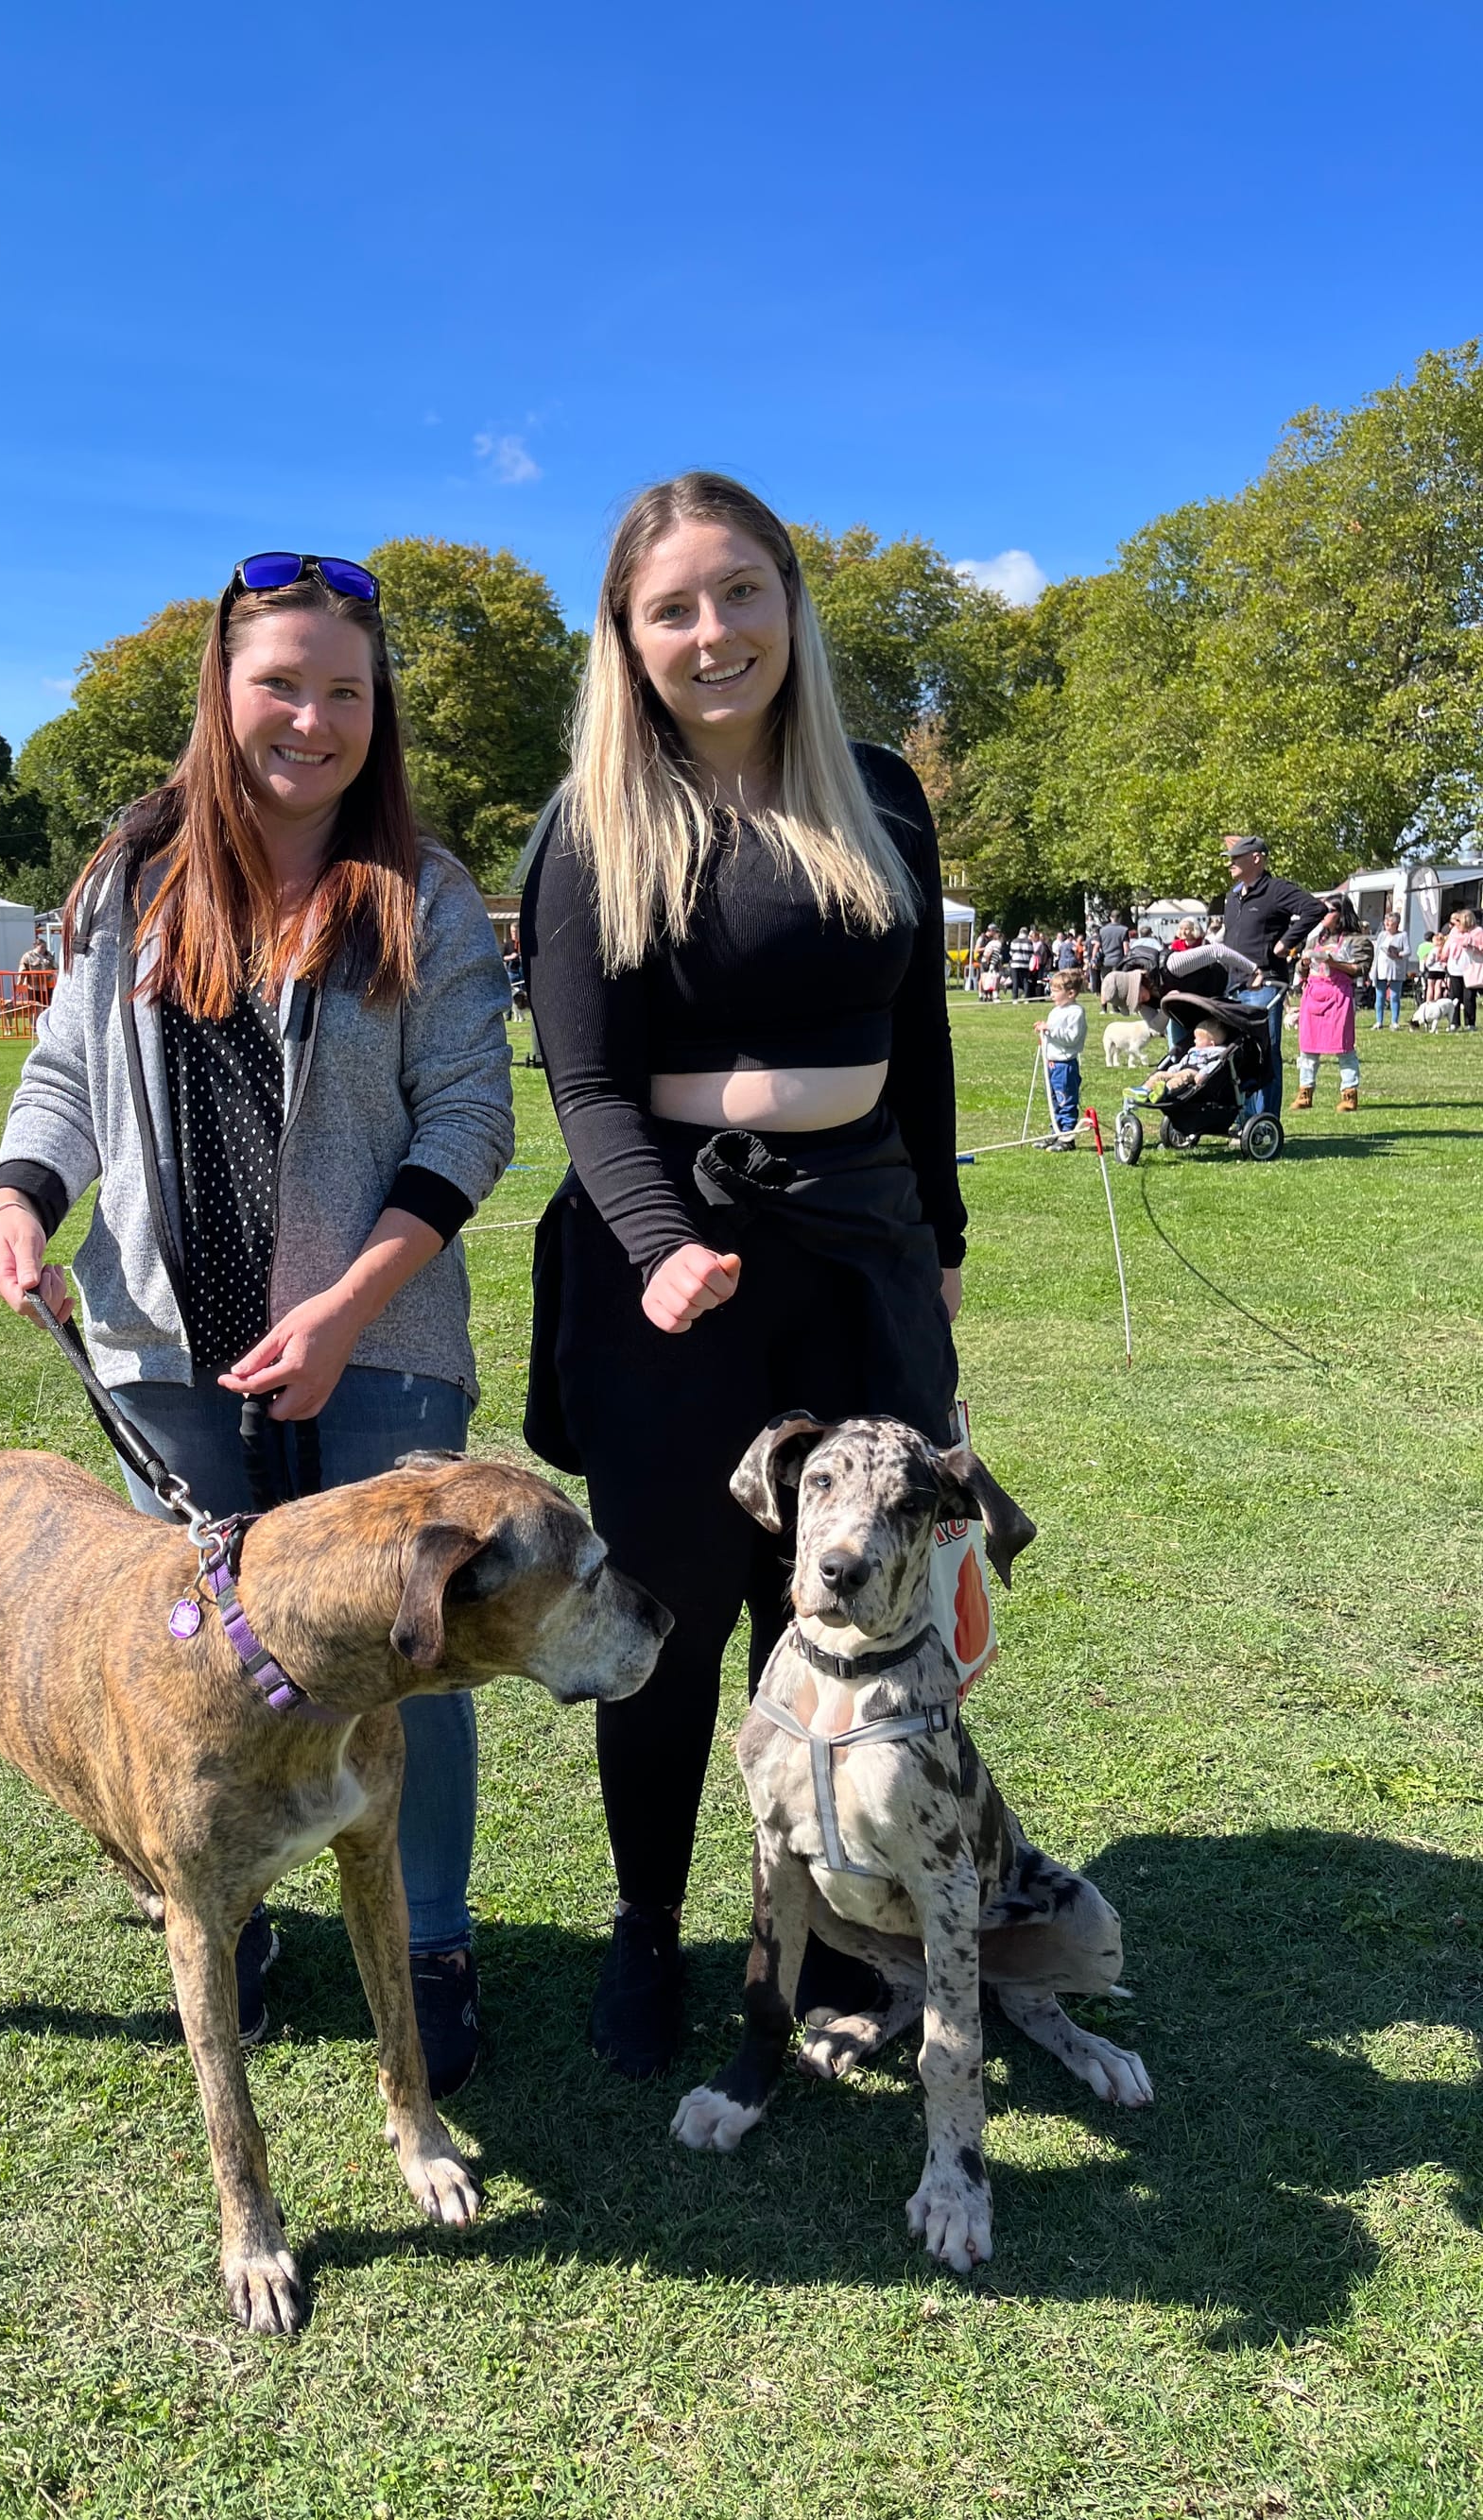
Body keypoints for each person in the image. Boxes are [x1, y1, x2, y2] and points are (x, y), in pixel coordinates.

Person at [0, 549, 515, 2093]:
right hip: (167, 1358)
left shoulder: (423, 890)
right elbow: (65, 1082)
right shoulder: (129, 881)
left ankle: (428, 1940)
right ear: (221, 691)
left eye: (345, 691)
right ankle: (232, 1914)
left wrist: (351, 1305)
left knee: (404, 1660)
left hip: (381, 1357)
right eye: (282, 681)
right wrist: (25, 1195)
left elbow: (469, 1117)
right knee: (198, 1662)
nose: (313, 718)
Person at [520, 472, 964, 2078]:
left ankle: (849, 1931)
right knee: (679, 1608)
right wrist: (660, 1247)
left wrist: (946, 1252)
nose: (715, 634)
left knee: (876, 1599)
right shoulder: (592, 819)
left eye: (742, 593)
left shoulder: (880, 793)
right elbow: (581, 1085)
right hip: (673, 1253)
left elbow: (915, 1052)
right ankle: (652, 1927)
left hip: (862, 1248)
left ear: (790, 600)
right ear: (629, 639)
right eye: (674, 608)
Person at [1218, 835, 1324, 1116]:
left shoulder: (1276, 890)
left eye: (1235, 857)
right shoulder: (1232, 895)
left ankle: (1264, 1122)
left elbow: (1315, 908)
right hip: (1234, 983)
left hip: (1264, 982)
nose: (1229, 863)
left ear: (1256, 858)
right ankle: (1244, 1120)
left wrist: (1285, 943)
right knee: (1235, 1052)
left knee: (1265, 1049)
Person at [1292, 896, 1372, 1111]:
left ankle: (1349, 1094)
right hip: (1313, 995)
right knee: (1307, 1048)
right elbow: (1301, 970)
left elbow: (1361, 969)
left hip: (1339, 995)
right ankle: (1305, 1093)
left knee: (1343, 1046)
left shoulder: (1357, 940)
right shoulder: (1315, 939)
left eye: (1327, 911)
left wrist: (1333, 963)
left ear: (1341, 914)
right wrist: (1304, 963)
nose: (1322, 915)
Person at [1034, 968, 1085, 1147]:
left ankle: (1067, 1136)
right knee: (1054, 1100)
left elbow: (1071, 1038)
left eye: (1056, 990)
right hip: (1052, 1063)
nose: (1052, 993)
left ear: (1070, 993)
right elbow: (1052, 1033)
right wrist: (1044, 1036)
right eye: (1052, 989)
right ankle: (1055, 1130)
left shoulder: (1076, 1012)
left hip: (1065, 1065)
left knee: (1066, 1100)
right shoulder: (1055, 1011)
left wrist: (1049, 1029)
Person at [1370, 911, 1409, 1031]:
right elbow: (1376, 951)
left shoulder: (1403, 935)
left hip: (1395, 969)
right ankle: (1378, 1021)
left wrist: (1398, 954)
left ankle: (1394, 1021)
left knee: (1394, 996)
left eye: (1390, 921)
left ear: (1396, 923)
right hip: (1381, 969)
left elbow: (1408, 951)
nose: (1387, 923)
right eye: (1386, 921)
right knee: (1380, 996)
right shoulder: (1382, 935)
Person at [1446, 908, 1483, 1030]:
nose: (1456, 924)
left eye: (1459, 921)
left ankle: (1470, 1023)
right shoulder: (1454, 932)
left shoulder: (1478, 932)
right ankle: (1454, 1022)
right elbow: (1448, 945)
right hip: (1455, 967)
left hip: (1470, 969)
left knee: (1469, 998)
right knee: (1455, 997)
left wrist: (1473, 944)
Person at [1008, 926, 1034, 1001]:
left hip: (1015, 964)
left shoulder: (1014, 941)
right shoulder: (1029, 942)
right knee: (1026, 981)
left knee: (1015, 981)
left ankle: (1015, 998)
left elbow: (1011, 953)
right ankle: (1026, 998)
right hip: (1025, 964)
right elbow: (1031, 953)